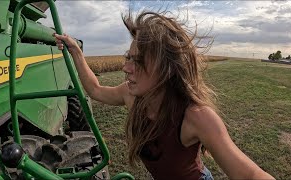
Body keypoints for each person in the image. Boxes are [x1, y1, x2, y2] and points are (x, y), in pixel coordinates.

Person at [54, 10, 275, 180]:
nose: (126, 68)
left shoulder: (196, 116)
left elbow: (250, 175)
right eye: (128, 58)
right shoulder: (131, 96)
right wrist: (76, 52)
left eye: (138, 61)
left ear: (167, 69)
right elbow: (95, 90)